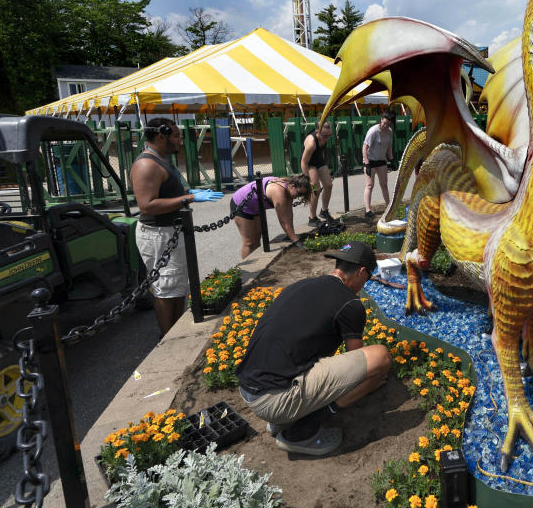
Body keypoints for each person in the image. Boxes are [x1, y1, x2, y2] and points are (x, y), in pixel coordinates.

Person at [235, 242, 391, 455]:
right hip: (273, 401)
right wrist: (371, 382)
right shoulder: (350, 304)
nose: (365, 283)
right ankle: (304, 428)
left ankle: (285, 417)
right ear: (362, 271)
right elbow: (356, 360)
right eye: (368, 278)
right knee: (379, 358)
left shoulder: (301, 285)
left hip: (248, 389)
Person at [130, 118, 223, 336]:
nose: (180, 140)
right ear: (161, 135)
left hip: (170, 231)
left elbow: (166, 193)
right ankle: (168, 338)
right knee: (165, 287)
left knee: (177, 285)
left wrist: (188, 193)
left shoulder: (161, 160)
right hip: (158, 235)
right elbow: (147, 205)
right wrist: (189, 198)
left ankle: (176, 331)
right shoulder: (146, 165)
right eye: (176, 136)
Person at [230, 175, 312, 258]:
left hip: (256, 208)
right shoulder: (278, 191)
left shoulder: (288, 191)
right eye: (299, 193)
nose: (298, 197)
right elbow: (283, 220)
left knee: (257, 239)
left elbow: (289, 214)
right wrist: (295, 240)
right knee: (249, 242)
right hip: (241, 205)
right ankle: (246, 268)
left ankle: (257, 263)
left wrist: (291, 235)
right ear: (292, 186)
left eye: (302, 195)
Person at [301, 121, 336, 226]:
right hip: (309, 163)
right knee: (316, 190)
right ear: (318, 131)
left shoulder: (324, 138)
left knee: (329, 185)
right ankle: (312, 218)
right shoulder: (311, 142)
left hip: (318, 159)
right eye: (325, 136)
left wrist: (325, 171)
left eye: (329, 135)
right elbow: (303, 162)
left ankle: (324, 211)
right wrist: (308, 179)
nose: (327, 138)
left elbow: (321, 153)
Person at [362, 110, 395, 219]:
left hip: (381, 161)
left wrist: (391, 160)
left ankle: (389, 207)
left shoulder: (389, 131)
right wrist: (366, 164)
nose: (385, 126)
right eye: (384, 123)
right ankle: (367, 210)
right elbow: (364, 148)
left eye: (388, 124)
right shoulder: (373, 131)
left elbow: (389, 146)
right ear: (381, 120)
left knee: (384, 184)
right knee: (370, 185)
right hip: (370, 161)